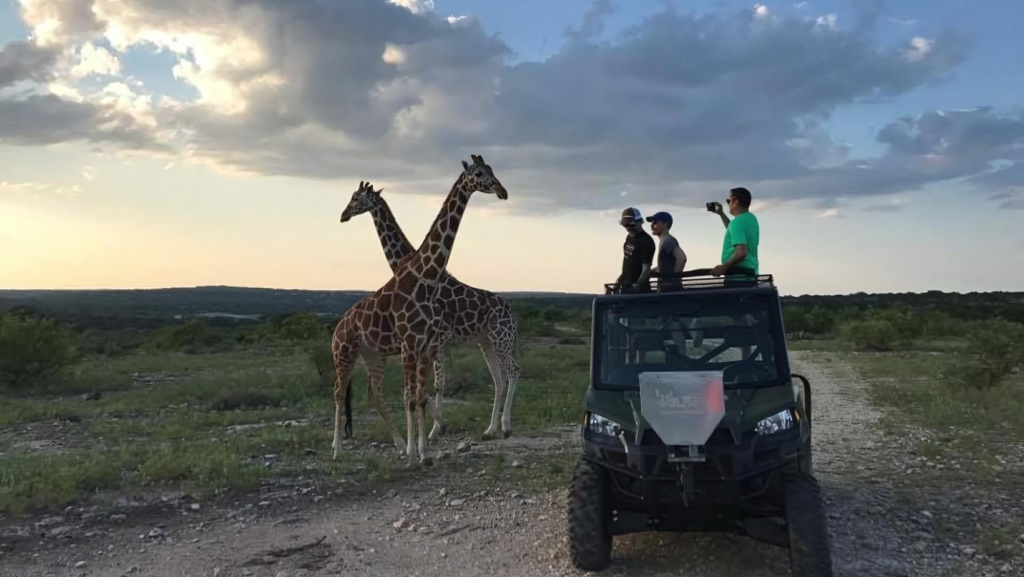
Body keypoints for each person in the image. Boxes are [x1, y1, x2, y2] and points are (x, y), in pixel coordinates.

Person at [710, 187, 759, 286]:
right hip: (750, 277)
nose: (728, 204)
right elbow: (733, 231)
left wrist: (724, 267)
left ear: (736, 201)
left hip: (737, 279)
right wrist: (721, 214)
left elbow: (741, 252)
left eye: (729, 201)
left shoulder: (737, 222)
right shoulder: (751, 219)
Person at [645, 211, 687, 292]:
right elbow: (664, 266)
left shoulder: (668, 240)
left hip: (669, 291)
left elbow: (682, 258)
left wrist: (674, 280)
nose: (652, 225)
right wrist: (650, 272)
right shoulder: (664, 240)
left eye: (655, 222)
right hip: (666, 290)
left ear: (665, 223)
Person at [617, 207, 655, 293]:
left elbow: (646, 271)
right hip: (625, 286)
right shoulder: (629, 237)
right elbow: (628, 260)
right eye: (626, 225)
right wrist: (621, 278)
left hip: (637, 292)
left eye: (632, 225)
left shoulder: (646, 241)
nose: (629, 228)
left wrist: (637, 286)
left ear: (640, 222)